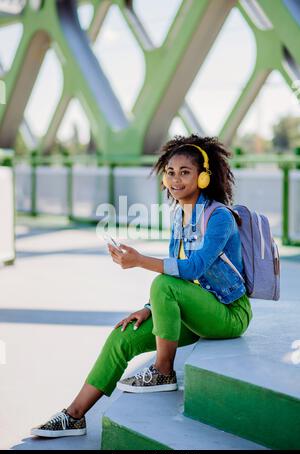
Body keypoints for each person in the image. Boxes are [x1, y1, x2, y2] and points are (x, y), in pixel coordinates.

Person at [31, 134, 253, 438]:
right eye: (171, 173)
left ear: (203, 177)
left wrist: (138, 260)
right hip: (198, 309)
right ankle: (74, 416)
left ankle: (163, 371)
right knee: (123, 335)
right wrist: (150, 309)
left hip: (230, 314)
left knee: (162, 283)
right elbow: (179, 275)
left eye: (185, 172)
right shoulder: (180, 216)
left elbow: (192, 269)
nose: (175, 180)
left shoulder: (219, 218)